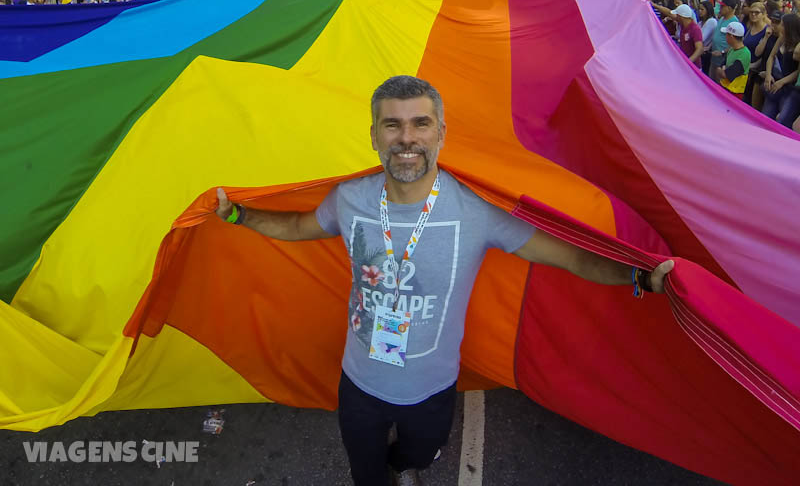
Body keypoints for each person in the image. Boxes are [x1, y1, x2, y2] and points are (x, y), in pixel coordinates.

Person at [214, 76, 674, 486]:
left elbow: (571, 259)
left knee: (419, 457)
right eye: (392, 125)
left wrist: (638, 276)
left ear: (441, 134)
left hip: (432, 389)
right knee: (367, 475)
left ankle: (404, 461)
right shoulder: (349, 200)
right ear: (373, 136)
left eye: (421, 123)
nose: (406, 138)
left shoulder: (476, 209)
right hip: (359, 383)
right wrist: (238, 213)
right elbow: (296, 229)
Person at [763, 14, 800, 127]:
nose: (780, 27)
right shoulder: (782, 38)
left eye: (783, 25)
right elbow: (771, 56)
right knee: (766, 118)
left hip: (789, 87)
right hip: (774, 84)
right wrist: (768, 75)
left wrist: (782, 82)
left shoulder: (797, 46)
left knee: (782, 120)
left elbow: (798, 71)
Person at [742, 3, 770, 106]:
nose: (753, 14)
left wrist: (751, 66)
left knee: (753, 104)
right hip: (745, 70)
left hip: (756, 73)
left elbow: (762, 55)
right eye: (751, 12)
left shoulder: (767, 31)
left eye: (757, 13)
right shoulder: (749, 28)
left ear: (763, 14)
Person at [714, 23, 751, 98]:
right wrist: (722, 70)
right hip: (724, 88)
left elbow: (726, 75)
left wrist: (722, 70)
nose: (725, 37)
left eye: (726, 34)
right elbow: (722, 65)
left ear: (731, 36)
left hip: (734, 93)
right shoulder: (731, 49)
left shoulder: (744, 54)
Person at [709, 0, 740, 82]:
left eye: (723, 6)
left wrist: (722, 52)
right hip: (714, 59)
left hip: (723, 62)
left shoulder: (734, 23)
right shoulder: (722, 19)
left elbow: (736, 44)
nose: (720, 8)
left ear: (729, 8)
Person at [698, 1, 718, 75]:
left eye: (702, 9)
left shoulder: (711, 21)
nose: (700, 11)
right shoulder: (700, 23)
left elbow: (701, 38)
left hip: (705, 53)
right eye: (699, 9)